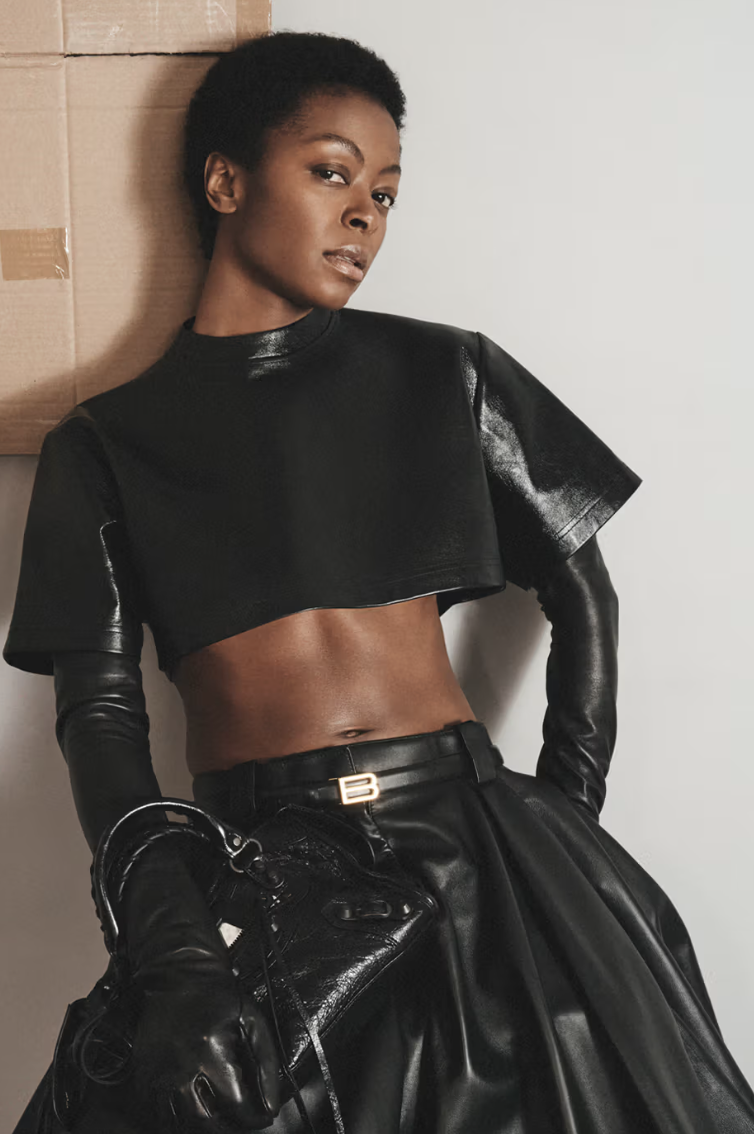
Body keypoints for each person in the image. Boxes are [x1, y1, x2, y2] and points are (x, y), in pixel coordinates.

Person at [5, 29, 754, 1134]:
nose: (366, 214)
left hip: (483, 841)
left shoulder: (444, 371)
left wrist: (565, 819)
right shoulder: (106, 445)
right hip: (266, 874)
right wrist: (173, 947)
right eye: (332, 172)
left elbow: (581, 588)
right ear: (225, 182)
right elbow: (101, 718)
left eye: (386, 193)